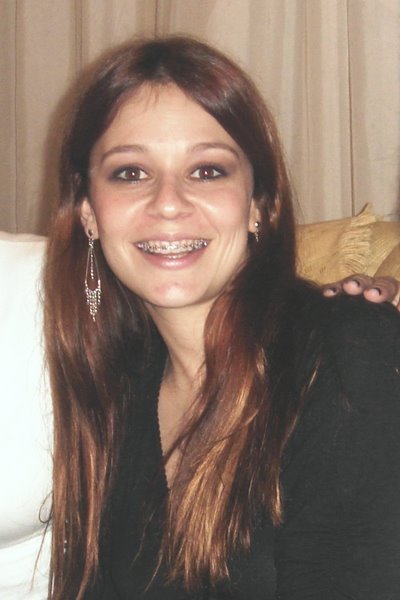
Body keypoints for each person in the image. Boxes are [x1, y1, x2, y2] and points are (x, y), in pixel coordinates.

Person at [42, 36, 400, 599]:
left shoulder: (343, 355)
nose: (167, 202)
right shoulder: (115, 380)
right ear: (88, 212)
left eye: (207, 171)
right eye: (130, 173)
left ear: (258, 204)